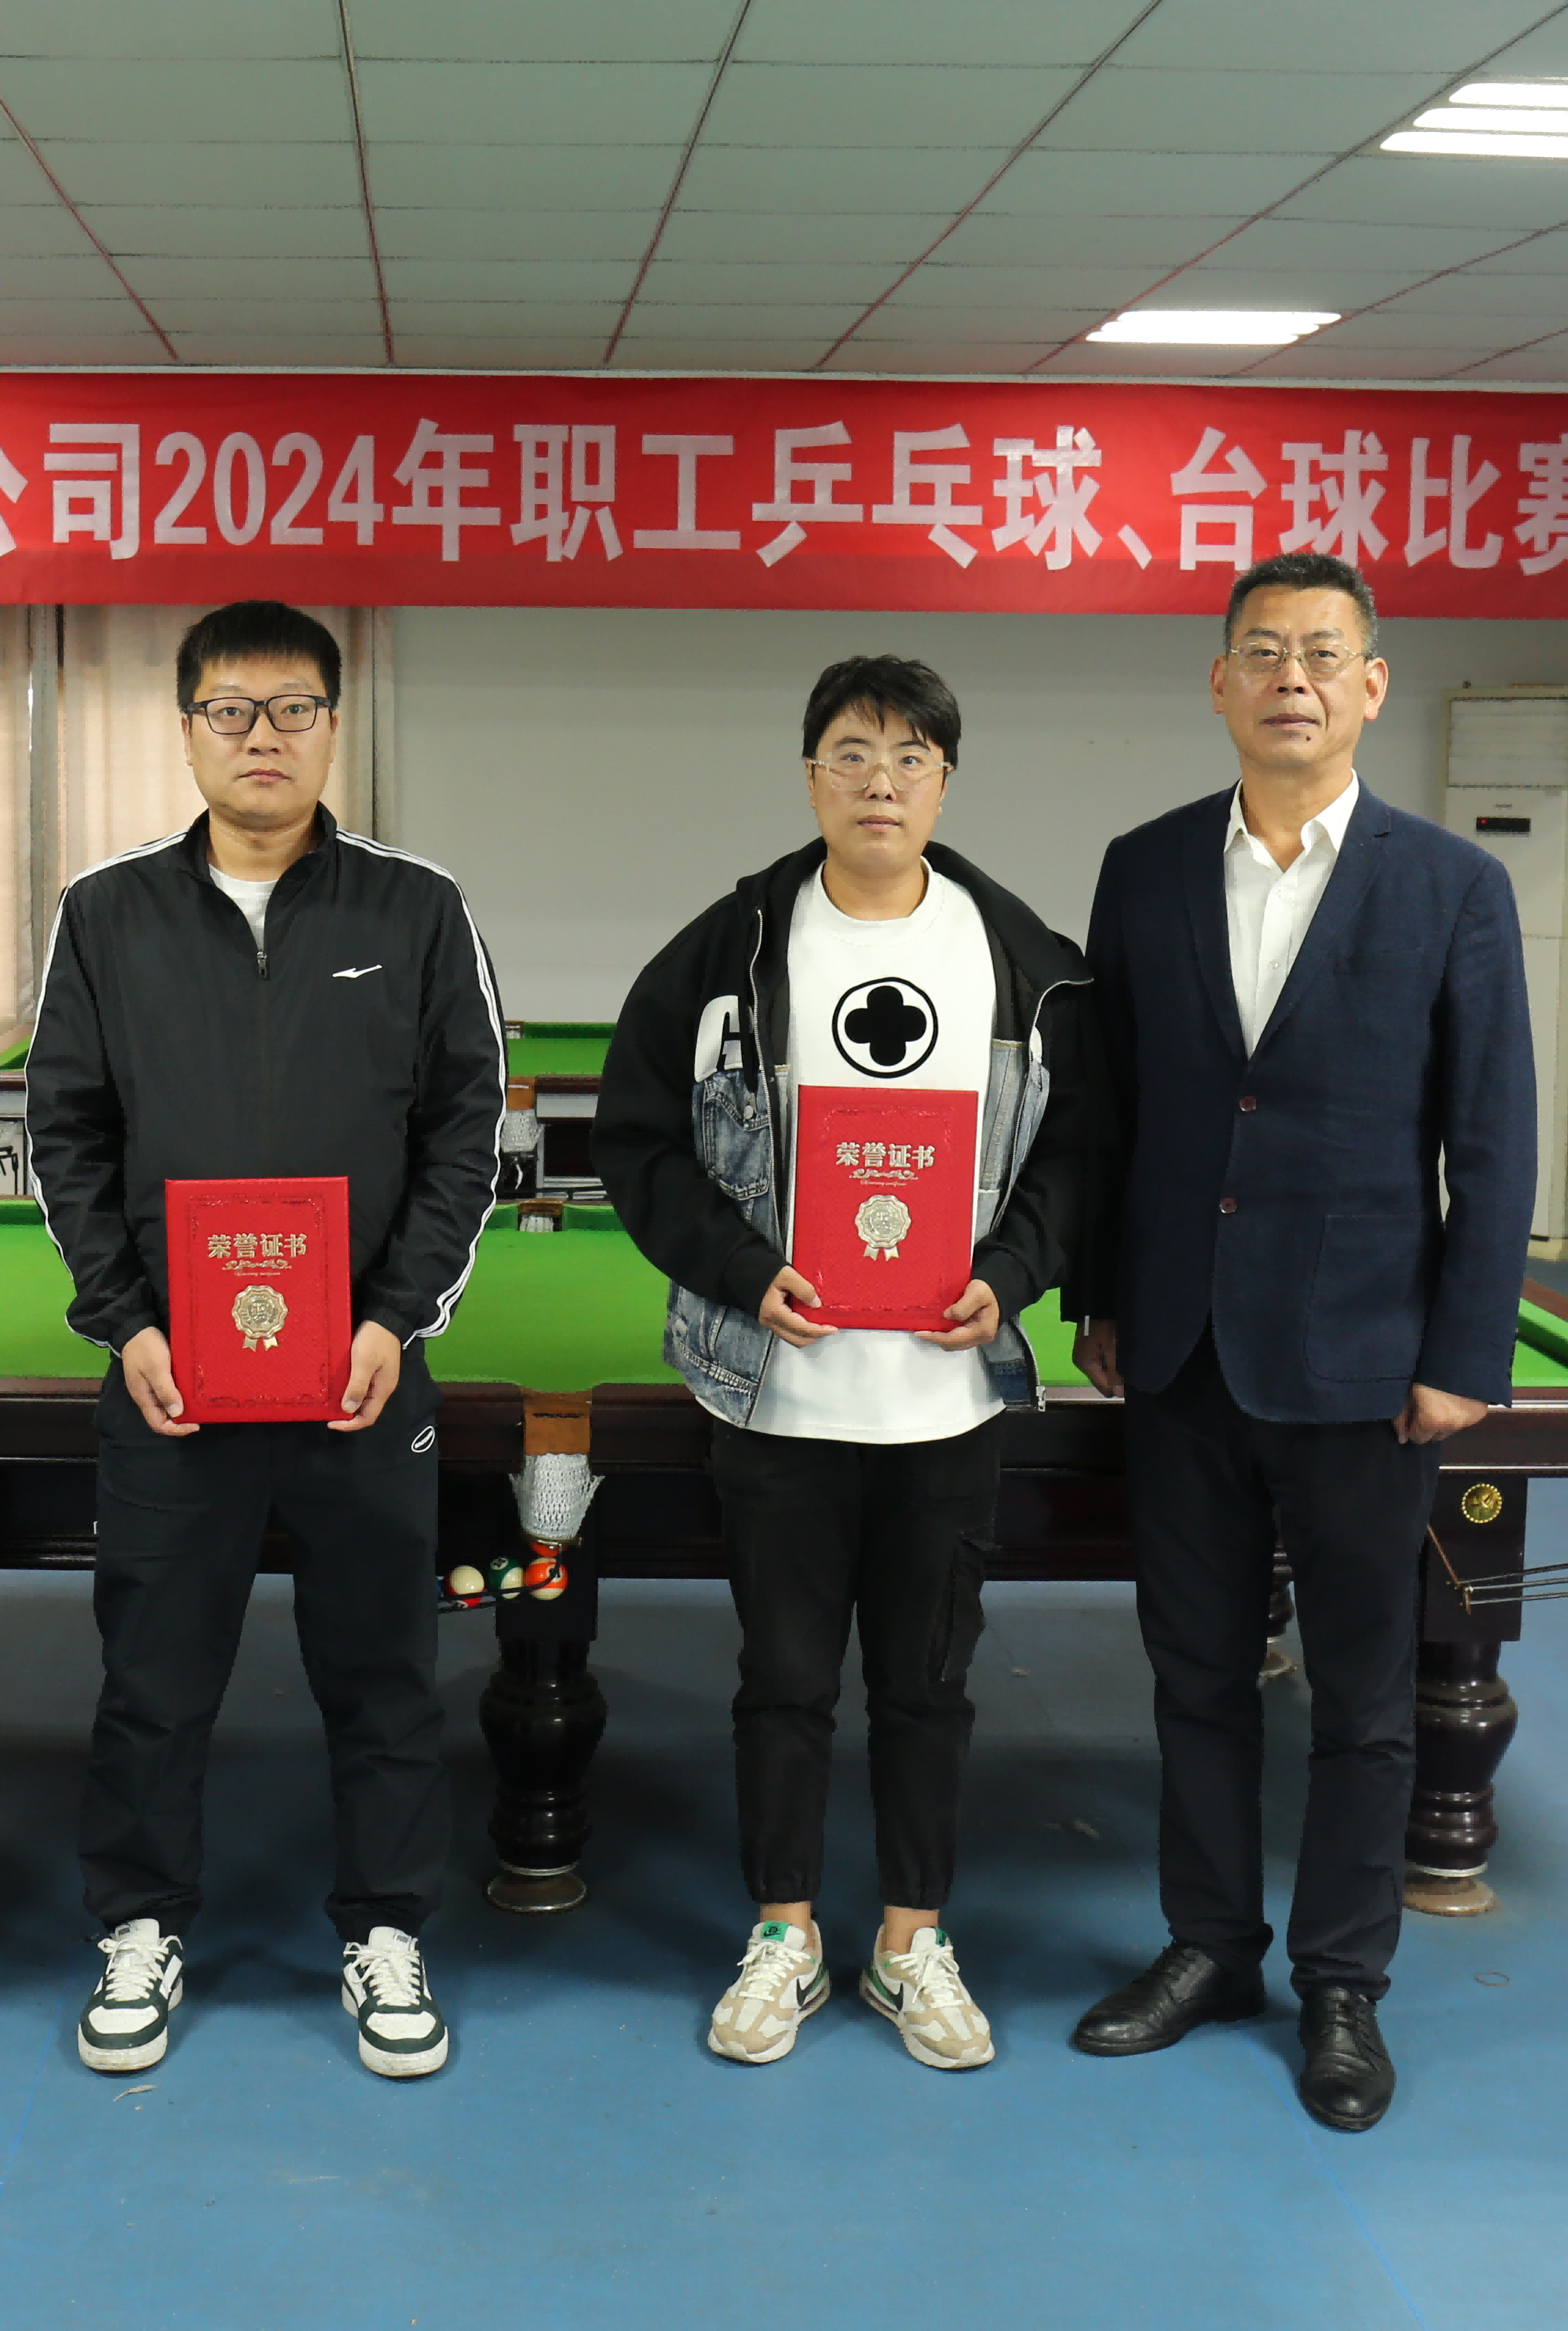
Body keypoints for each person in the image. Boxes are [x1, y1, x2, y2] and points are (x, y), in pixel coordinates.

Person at [1067, 551, 1534, 2133]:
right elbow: (1112, 1109)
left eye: (1323, 653)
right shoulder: (1141, 868)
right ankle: (1209, 1945)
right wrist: (1099, 1298)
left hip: (1362, 1357)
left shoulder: (1450, 887)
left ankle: (1342, 1982)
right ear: (1218, 682)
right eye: (1262, 651)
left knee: (1362, 1696)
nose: (1292, 677)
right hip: (1181, 1351)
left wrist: (1464, 1349)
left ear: (1370, 686)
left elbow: (1493, 1136)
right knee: (1192, 1674)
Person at [592, 655, 1103, 2074]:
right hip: (778, 1395)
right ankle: (783, 1935)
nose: (882, 781)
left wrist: (1012, 1275)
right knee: (783, 1681)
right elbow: (635, 1136)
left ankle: (910, 1941)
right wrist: (737, 1266)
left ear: (946, 780)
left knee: (929, 1687)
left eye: (911, 757)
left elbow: (1078, 1154)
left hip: (946, 1401)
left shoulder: (1031, 964)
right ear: (810, 774)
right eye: (853, 754)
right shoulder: (728, 951)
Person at [24, 601, 505, 2081]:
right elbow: (66, 1131)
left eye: (293, 708)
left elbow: (464, 1130)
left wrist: (395, 1315)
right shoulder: (107, 913)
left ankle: (386, 1927)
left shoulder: (414, 908)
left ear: (332, 729)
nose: (262, 738)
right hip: (172, 1380)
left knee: (383, 1673)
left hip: (363, 1376)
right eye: (230, 710)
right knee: (153, 1674)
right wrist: (125, 1322)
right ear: (186, 732)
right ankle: (140, 1924)